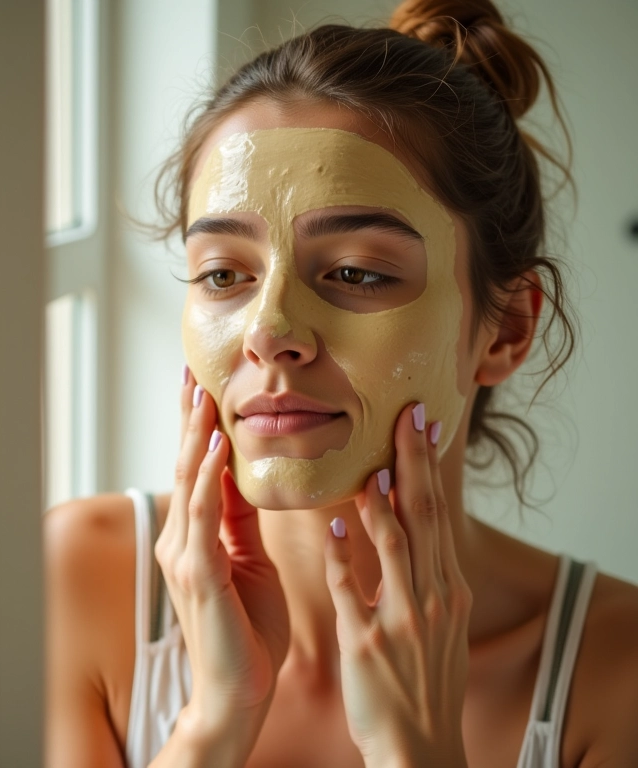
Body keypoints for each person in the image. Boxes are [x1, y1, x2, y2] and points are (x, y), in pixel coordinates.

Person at [44, 1, 638, 766]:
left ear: (507, 331)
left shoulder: (616, 673)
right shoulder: (79, 581)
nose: (269, 332)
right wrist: (218, 720)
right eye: (224, 274)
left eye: (357, 272)